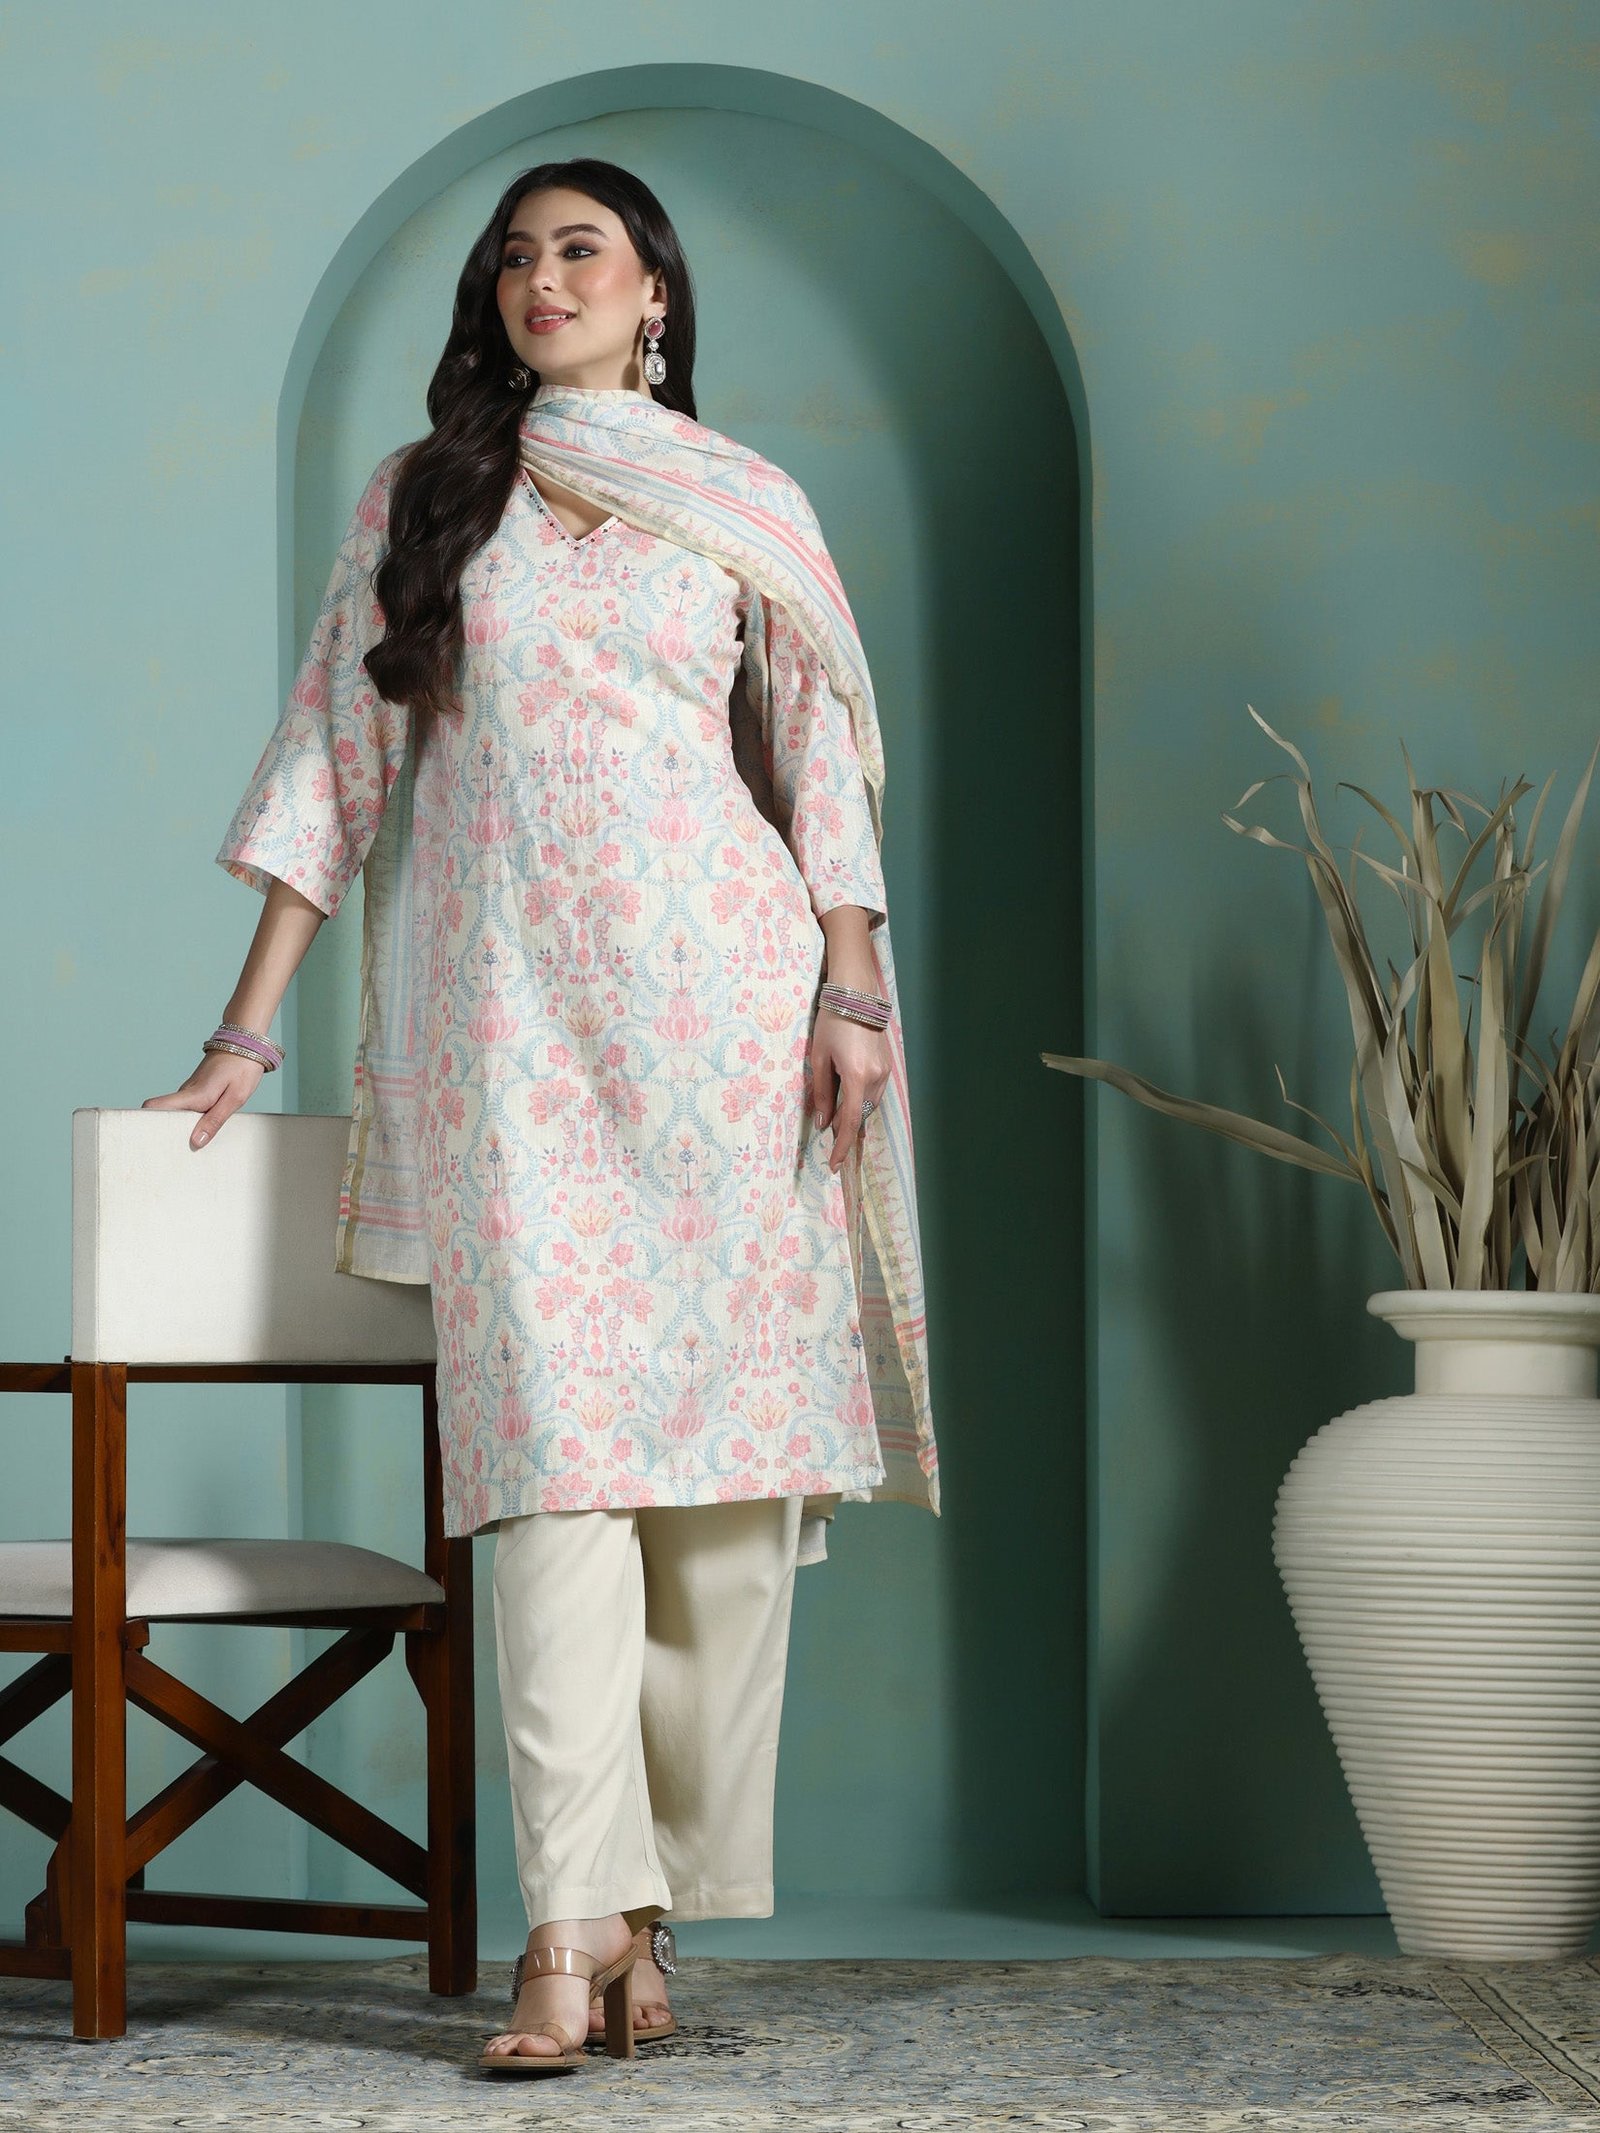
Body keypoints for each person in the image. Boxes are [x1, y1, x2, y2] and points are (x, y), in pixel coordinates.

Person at [143, 156, 939, 2075]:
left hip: (726, 1017)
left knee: (723, 1484)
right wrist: (246, 1029)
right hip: (506, 1032)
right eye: (514, 256)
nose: (540, 277)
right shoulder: (428, 497)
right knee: (549, 1468)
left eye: (581, 249)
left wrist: (849, 982)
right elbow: (334, 759)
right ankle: (566, 1926)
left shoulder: (743, 498)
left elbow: (820, 756)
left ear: (656, 289)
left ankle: (647, 1907)